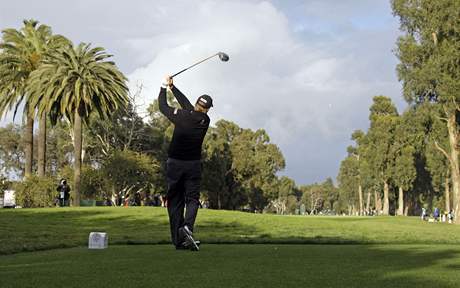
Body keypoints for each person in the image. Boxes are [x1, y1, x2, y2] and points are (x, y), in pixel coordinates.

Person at [158, 75, 212, 251]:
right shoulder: (205, 120)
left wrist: (163, 87)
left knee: (175, 202)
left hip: (175, 164)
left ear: (197, 104)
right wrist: (173, 88)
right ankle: (187, 228)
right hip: (193, 165)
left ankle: (178, 240)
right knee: (192, 199)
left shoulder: (181, 116)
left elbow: (163, 107)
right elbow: (191, 109)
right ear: (207, 109)